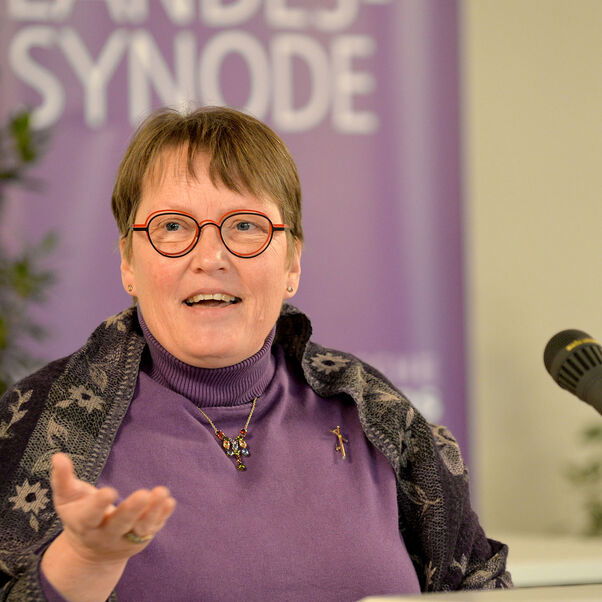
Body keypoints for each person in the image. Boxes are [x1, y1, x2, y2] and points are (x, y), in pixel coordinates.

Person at [0, 106, 511, 601]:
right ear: (129, 262)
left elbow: (480, 586)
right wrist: (82, 565)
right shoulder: (34, 426)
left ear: (292, 262)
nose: (210, 257)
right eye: (173, 226)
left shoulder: (374, 410)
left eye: (245, 225)